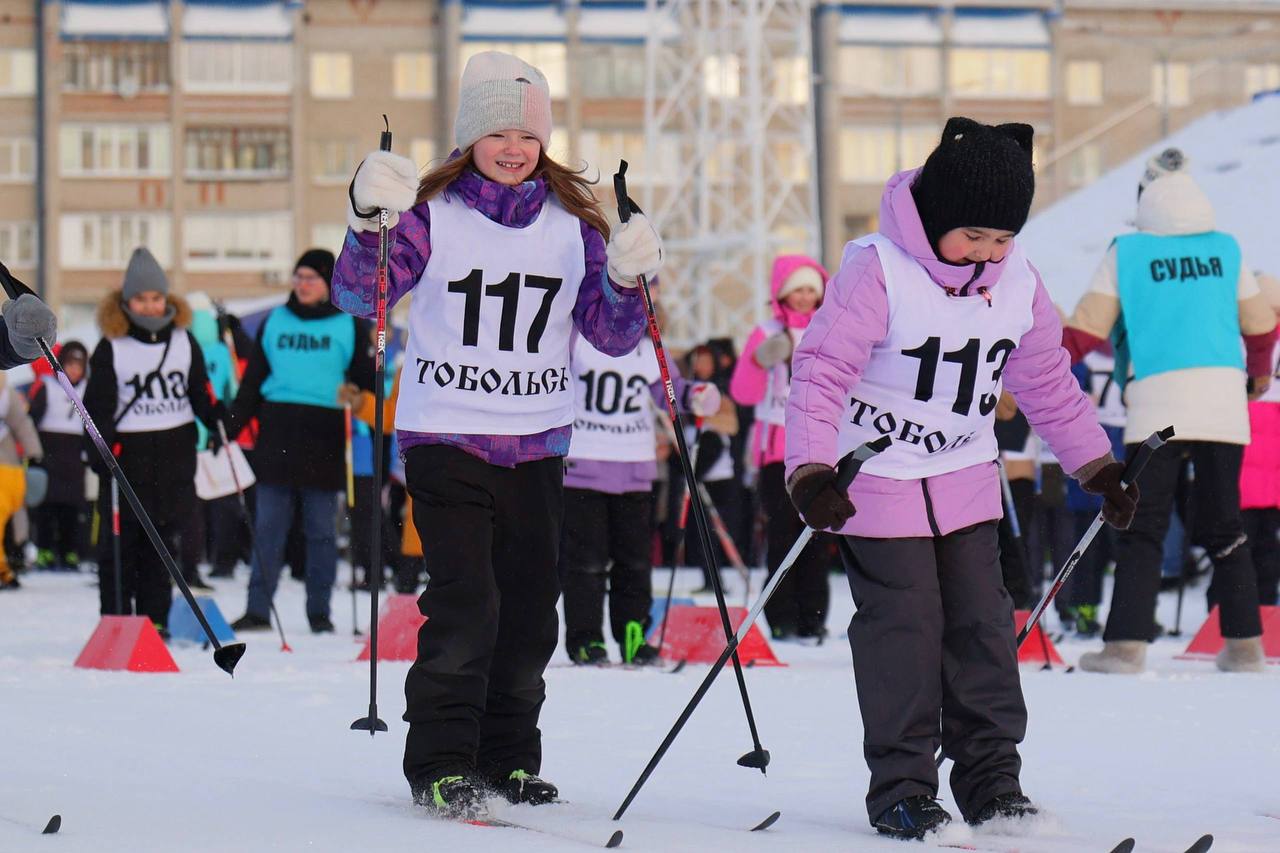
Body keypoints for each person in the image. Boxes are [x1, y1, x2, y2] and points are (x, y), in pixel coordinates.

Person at [784, 118, 1133, 840]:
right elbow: (821, 372)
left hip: (966, 478)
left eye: (1002, 239)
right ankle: (904, 789)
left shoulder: (1019, 281)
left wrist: (1095, 463)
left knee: (982, 631)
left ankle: (991, 782)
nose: (988, 252)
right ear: (939, 216)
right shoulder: (877, 267)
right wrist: (812, 468)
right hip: (876, 482)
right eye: (973, 235)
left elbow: (1046, 380)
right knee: (904, 632)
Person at [331, 50, 656, 816]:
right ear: (471, 135)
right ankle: (441, 758)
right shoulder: (428, 211)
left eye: (529, 133)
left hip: (538, 438)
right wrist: (365, 224)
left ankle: (509, 757)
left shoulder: (573, 224)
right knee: (467, 598)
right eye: (497, 131)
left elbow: (612, 337)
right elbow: (358, 294)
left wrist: (628, 276)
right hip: (446, 434)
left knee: (530, 604)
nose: (514, 147)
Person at [1063, 168, 1276, 673]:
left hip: (1157, 405)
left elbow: (1086, 328)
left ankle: (1126, 648)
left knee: (1143, 526)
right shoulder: (1226, 248)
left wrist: (1040, 370)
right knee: (1228, 526)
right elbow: (1262, 326)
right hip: (1224, 402)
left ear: (1145, 214)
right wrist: (1258, 377)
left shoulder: (1127, 250)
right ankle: (1246, 648)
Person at [227, 249, 373, 634]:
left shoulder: (349, 325)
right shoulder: (276, 320)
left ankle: (319, 612)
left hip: (324, 432)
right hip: (278, 428)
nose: (303, 285)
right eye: (299, 277)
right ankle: (258, 609)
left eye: (311, 278)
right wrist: (229, 425)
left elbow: (367, 379)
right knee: (270, 526)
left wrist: (356, 395)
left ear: (328, 282)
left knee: (321, 531)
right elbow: (253, 381)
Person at [82, 248, 223, 633]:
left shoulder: (183, 341)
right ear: (126, 303)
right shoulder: (112, 346)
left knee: (162, 544)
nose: (149, 306)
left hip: (174, 453)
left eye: (156, 298)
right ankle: (116, 620)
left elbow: (198, 392)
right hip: (129, 457)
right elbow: (97, 408)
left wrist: (214, 416)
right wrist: (102, 452)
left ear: (167, 299)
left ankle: (154, 621)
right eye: (141, 299)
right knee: (120, 545)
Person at [559, 333, 719, 665]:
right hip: (583, 465)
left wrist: (696, 395)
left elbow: (668, 391)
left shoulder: (650, 346)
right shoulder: (578, 337)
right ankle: (586, 638)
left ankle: (633, 634)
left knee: (634, 562)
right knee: (585, 564)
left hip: (634, 469)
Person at [730, 254, 835, 639]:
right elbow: (743, 393)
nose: (806, 297)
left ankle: (814, 616)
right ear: (783, 293)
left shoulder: (830, 328)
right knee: (782, 534)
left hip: (821, 448)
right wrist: (758, 361)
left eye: (812, 290)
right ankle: (782, 617)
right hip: (776, 451)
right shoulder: (767, 330)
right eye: (798, 290)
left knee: (816, 535)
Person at [1238, 271, 1280, 607]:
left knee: (1236, 547)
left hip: (1241, 455)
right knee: (1268, 548)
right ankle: (1266, 613)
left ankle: (1227, 612)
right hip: (1273, 465)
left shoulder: (1242, 342)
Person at [30, 341, 89, 572]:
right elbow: (32, 419)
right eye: (70, 365)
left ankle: (69, 551)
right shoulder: (47, 387)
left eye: (79, 366)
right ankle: (44, 550)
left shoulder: (87, 389)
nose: (74, 371)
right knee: (46, 507)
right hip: (49, 452)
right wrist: (33, 452)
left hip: (74, 456)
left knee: (72, 508)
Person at [0, 371, 41, 590]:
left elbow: (22, 425)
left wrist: (34, 453)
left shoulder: (7, 396)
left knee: (12, 518)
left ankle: (10, 561)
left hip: (6, 466)